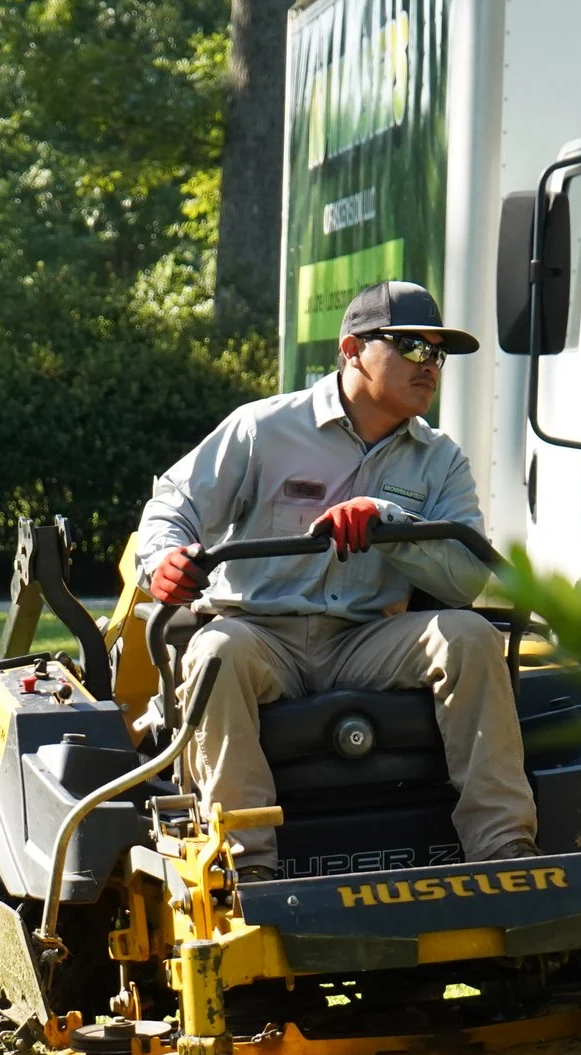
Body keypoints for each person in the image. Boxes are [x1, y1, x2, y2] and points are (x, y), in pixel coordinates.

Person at [135, 279, 538, 880]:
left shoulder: (442, 460)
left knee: (471, 636)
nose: (430, 364)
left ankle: (506, 852)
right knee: (217, 652)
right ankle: (247, 870)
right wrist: (164, 559)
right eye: (411, 346)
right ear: (352, 349)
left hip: (366, 640)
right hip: (261, 635)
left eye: (438, 352)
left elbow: (464, 583)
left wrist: (389, 520)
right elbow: (174, 504)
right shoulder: (262, 428)